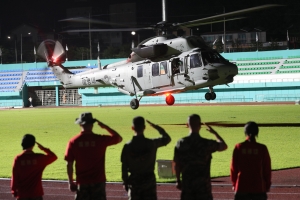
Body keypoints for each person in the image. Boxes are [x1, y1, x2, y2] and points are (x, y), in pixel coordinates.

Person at [65, 112, 122, 200]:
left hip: (82, 182)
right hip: (98, 182)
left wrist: (70, 182)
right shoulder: (100, 140)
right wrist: (105, 126)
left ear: (80, 124)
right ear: (92, 125)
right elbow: (118, 138)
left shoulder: (73, 142)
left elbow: (69, 164)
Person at [173, 114, 227, 200]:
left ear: (187, 125)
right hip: (203, 188)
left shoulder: (181, 143)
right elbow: (223, 146)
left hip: (188, 187)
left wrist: (178, 180)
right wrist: (214, 133)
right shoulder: (206, 144)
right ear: (200, 125)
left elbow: (177, 164)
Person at [121, 116, 171, 200]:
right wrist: (156, 127)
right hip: (149, 181)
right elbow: (167, 138)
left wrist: (125, 182)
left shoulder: (128, 146)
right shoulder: (151, 143)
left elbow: (124, 167)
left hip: (134, 181)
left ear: (132, 128)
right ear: (144, 127)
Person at [230, 121, 271, 200]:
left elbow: (233, 168)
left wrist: (234, 183)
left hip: (242, 186)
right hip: (259, 187)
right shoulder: (262, 148)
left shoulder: (239, 147)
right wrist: (267, 184)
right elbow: (267, 169)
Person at [11, 134, 57, 200]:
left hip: (22, 194)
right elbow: (53, 157)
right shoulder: (39, 158)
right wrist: (44, 148)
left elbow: (15, 175)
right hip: (36, 194)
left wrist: (14, 190)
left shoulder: (18, 159)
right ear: (33, 145)